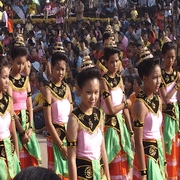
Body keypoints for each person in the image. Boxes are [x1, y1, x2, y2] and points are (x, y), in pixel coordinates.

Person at [67, 66, 110, 179]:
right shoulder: (74, 119)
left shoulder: (99, 114)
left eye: (96, 92)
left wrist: (108, 176)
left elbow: (103, 150)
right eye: (89, 92)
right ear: (79, 90)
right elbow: (71, 158)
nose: (93, 97)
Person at [101, 47, 134, 179]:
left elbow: (124, 108)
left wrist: (130, 131)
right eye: (112, 62)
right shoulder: (104, 82)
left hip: (121, 126)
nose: (115, 65)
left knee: (123, 161)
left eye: (117, 61)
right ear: (106, 63)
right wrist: (126, 104)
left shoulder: (120, 79)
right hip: (110, 128)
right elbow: (112, 109)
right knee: (111, 160)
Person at [8, 40, 41, 169]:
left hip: (27, 123)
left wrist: (30, 127)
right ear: (11, 61)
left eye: (23, 63)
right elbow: (10, 108)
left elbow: (29, 105)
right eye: (18, 63)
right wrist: (21, 132)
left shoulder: (25, 80)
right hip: (15, 124)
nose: (21, 67)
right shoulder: (8, 81)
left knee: (31, 161)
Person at [133, 57, 167, 180]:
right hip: (147, 157)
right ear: (144, 78)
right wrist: (143, 171)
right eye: (154, 78)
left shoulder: (157, 100)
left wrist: (164, 162)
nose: (158, 81)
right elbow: (138, 141)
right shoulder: (140, 105)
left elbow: (160, 133)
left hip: (159, 154)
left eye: (159, 77)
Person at [43, 52, 72, 179]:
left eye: (63, 69)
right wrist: (61, 145)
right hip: (55, 139)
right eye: (58, 69)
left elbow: (72, 116)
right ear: (52, 68)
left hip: (69, 138)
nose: (60, 73)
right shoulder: (48, 90)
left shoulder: (67, 88)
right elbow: (48, 123)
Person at [159, 42, 180, 180]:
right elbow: (165, 98)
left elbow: (177, 98)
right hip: (163, 114)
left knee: (174, 146)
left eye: (173, 57)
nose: (171, 60)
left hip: (174, 114)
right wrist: (177, 85)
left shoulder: (177, 74)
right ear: (163, 57)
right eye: (168, 57)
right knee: (165, 145)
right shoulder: (159, 75)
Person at [0, 56, 20, 179]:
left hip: (11, 154)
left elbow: (13, 131)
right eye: (4, 77)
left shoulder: (8, 101)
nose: (8, 81)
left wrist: (17, 156)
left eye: (8, 77)